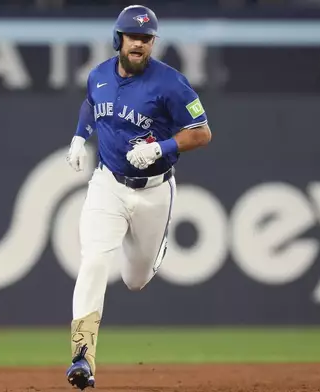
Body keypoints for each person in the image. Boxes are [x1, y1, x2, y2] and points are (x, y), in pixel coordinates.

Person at [64, 4, 212, 389]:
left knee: (135, 279)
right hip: (108, 184)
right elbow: (92, 103)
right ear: (119, 39)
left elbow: (201, 132)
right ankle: (82, 357)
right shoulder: (99, 75)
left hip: (154, 190)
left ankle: (157, 246)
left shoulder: (170, 83)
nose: (140, 45)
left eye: (147, 39)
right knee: (94, 259)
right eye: (134, 37)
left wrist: (161, 147)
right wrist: (81, 136)